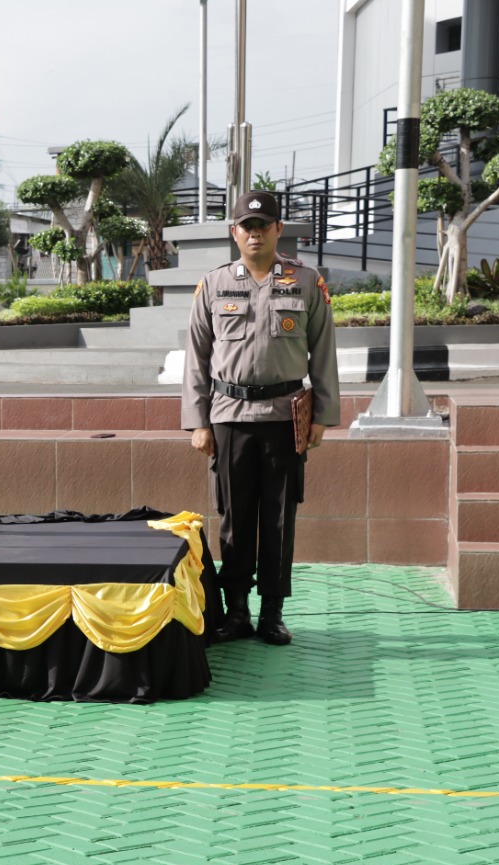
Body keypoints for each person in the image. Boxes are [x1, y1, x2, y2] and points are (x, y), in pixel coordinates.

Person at [182, 190, 339, 646]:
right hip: (229, 416)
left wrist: (323, 416)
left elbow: (324, 352)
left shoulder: (306, 282)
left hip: (284, 417)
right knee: (234, 518)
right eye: (246, 227)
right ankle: (236, 613)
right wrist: (198, 421)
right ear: (235, 233)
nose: (254, 233)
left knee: (277, 519)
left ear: (277, 229)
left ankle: (272, 612)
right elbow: (197, 358)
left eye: (263, 225)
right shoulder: (213, 285)